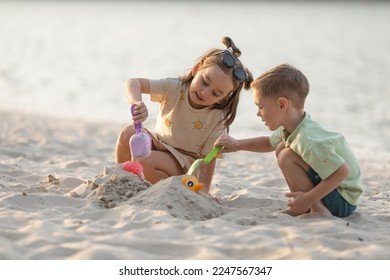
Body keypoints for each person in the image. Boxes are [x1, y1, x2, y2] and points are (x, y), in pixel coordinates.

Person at [215, 63, 363, 217]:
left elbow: (341, 172)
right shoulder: (291, 127)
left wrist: (308, 198)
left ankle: (317, 209)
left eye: (260, 107)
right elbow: (267, 143)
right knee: (281, 148)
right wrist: (237, 145)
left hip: (343, 198)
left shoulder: (308, 140)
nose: (258, 114)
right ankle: (303, 206)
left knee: (286, 156)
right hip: (332, 190)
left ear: (282, 104)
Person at [115, 36, 253, 193]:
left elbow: (209, 160)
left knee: (145, 161)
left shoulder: (217, 118)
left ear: (225, 97)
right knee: (128, 133)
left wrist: (204, 191)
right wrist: (137, 102)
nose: (205, 92)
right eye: (205, 82)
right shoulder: (175, 87)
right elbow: (133, 83)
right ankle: (123, 179)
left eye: (216, 93)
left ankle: (140, 177)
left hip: (183, 162)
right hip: (159, 142)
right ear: (197, 68)